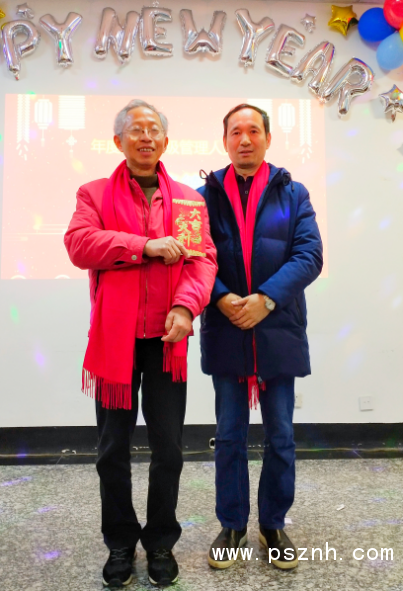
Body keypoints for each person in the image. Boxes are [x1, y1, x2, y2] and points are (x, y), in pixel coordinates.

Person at [64, 99, 217, 588]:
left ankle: (160, 543)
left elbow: (201, 261)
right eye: (136, 129)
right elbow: (79, 245)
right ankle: (119, 543)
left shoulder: (188, 200)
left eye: (154, 130)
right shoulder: (93, 193)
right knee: (112, 449)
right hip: (116, 342)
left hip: (166, 340)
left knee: (168, 448)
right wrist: (143, 246)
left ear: (166, 142)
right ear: (119, 141)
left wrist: (186, 307)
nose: (146, 137)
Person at [197, 104, 323, 570]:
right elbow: (195, 258)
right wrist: (221, 297)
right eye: (236, 132)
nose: (245, 139)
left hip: (277, 331)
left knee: (281, 436)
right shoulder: (202, 198)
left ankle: (273, 523)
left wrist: (265, 299)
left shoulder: (294, 193)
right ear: (225, 141)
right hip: (227, 328)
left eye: (254, 130)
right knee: (229, 436)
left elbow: (309, 256)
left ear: (268, 138)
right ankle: (231, 525)